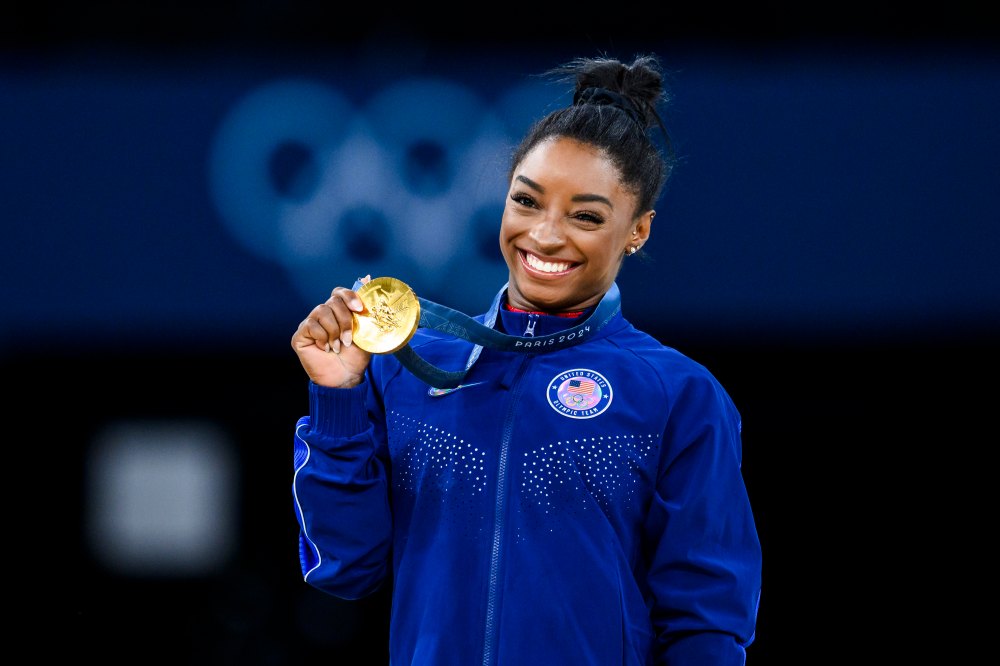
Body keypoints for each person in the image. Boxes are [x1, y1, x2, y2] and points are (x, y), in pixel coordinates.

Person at [290, 52, 762, 665]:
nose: (544, 235)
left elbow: (707, 626)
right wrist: (337, 398)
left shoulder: (677, 394)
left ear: (638, 230)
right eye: (527, 201)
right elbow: (343, 567)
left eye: (586, 216)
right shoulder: (405, 367)